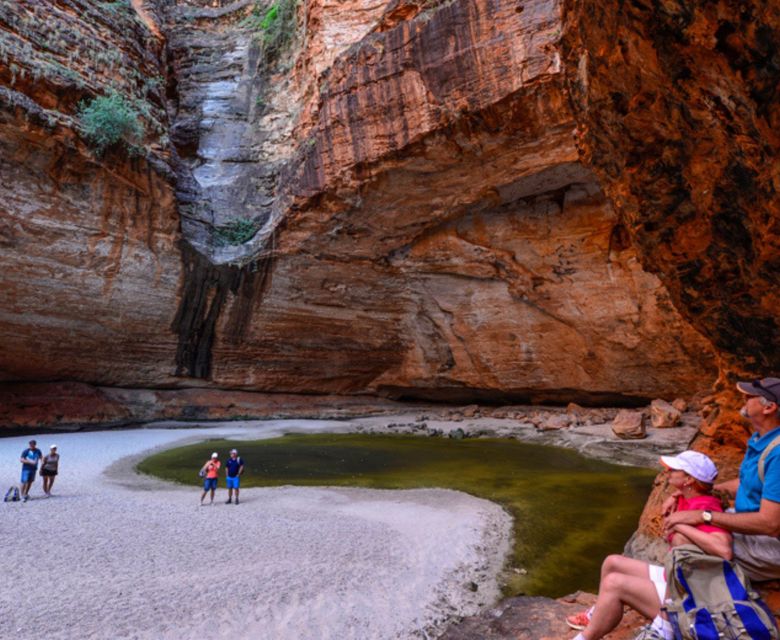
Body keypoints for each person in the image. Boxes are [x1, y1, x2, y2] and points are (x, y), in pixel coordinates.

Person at [567, 451, 731, 640]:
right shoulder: (688, 495)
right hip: (675, 580)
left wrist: (681, 526)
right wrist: (676, 495)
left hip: (689, 598)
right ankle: (599, 613)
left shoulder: (704, 507)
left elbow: (724, 550)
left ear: (688, 479)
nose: (667, 471)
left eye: (674, 469)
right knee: (612, 562)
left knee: (614, 583)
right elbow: (701, 490)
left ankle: (585, 637)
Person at [665, 376, 780, 581]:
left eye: (749, 396)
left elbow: (770, 524)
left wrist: (704, 515)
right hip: (756, 527)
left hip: (771, 543)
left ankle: (686, 607)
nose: (743, 398)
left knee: (687, 537)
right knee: (690, 526)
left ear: (769, 407)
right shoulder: (761, 439)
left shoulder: (778, 453)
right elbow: (745, 484)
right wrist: (688, 491)